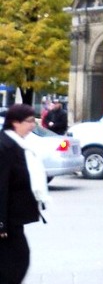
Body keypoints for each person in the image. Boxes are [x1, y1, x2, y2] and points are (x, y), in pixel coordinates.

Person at [0, 104, 44, 284]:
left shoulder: (19, 145)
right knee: (18, 259)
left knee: (14, 261)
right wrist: (1, 223)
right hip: (7, 220)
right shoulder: (5, 147)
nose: (33, 125)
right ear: (15, 123)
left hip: (14, 218)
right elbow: (1, 186)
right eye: (29, 121)